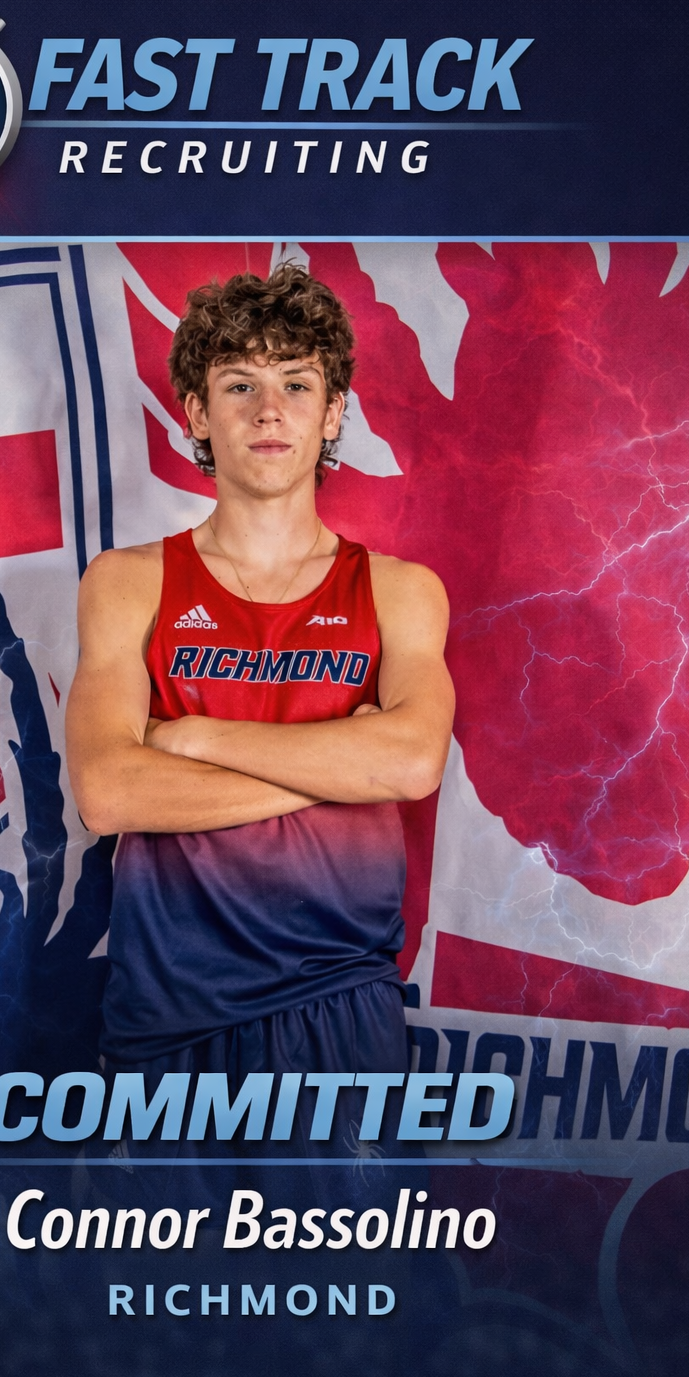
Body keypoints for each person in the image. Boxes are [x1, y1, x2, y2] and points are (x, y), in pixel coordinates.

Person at [66, 264, 454, 1144]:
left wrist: (195, 737)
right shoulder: (128, 582)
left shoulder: (396, 591)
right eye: (239, 384)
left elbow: (410, 762)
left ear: (334, 412)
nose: (268, 410)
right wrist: (339, 768)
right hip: (168, 1008)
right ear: (199, 415)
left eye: (296, 384)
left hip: (338, 1005)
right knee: (158, 1283)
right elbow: (110, 793)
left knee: (344, 1282)